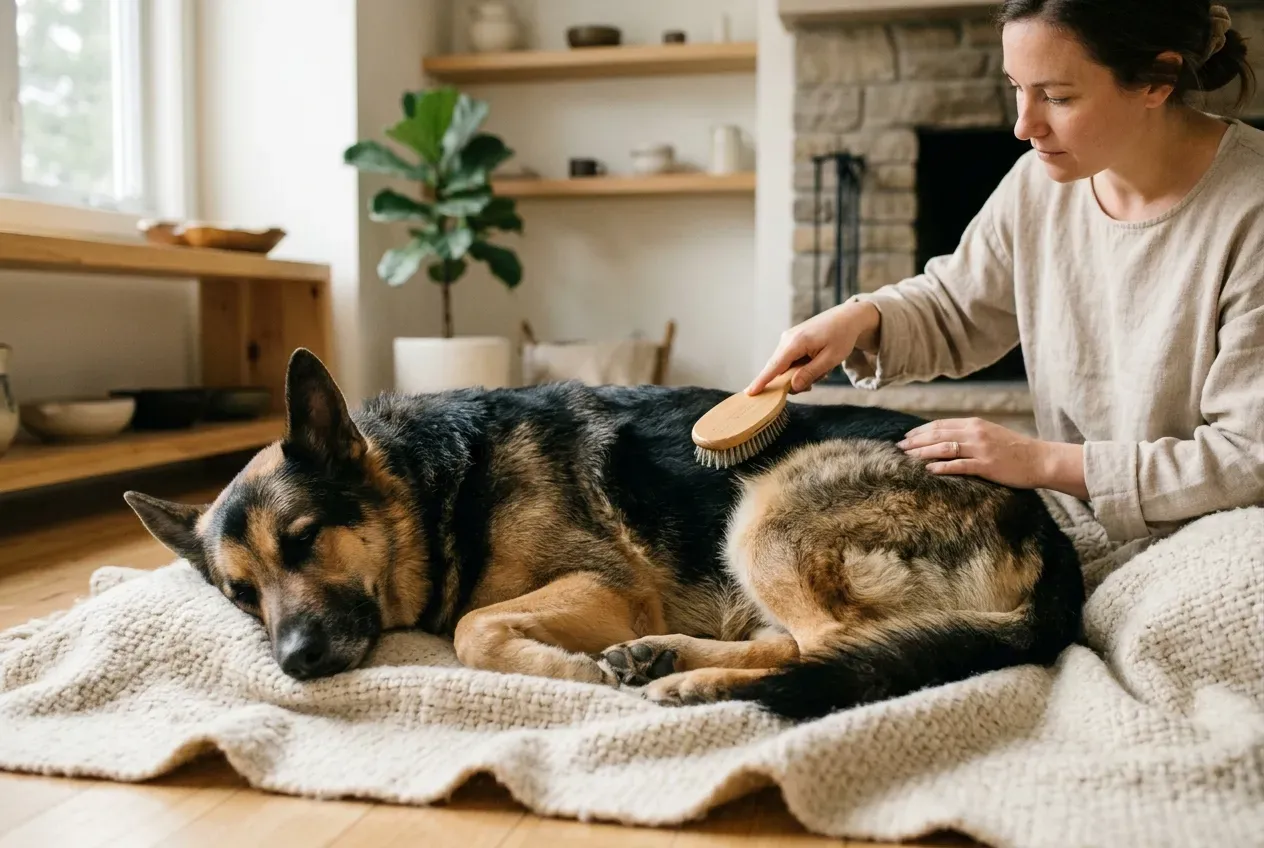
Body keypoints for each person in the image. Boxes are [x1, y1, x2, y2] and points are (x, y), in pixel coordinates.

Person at [747, 0, 1264, 546]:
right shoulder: (1037, 186)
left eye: (1058, 97)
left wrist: (1037, 460)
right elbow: (958, 304)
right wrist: (859, 319)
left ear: (1159, 81)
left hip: (1223, 531)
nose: (1023, 124)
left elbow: (1248, 456)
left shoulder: (1251, 207)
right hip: (1079, 518)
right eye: (1017, 87)